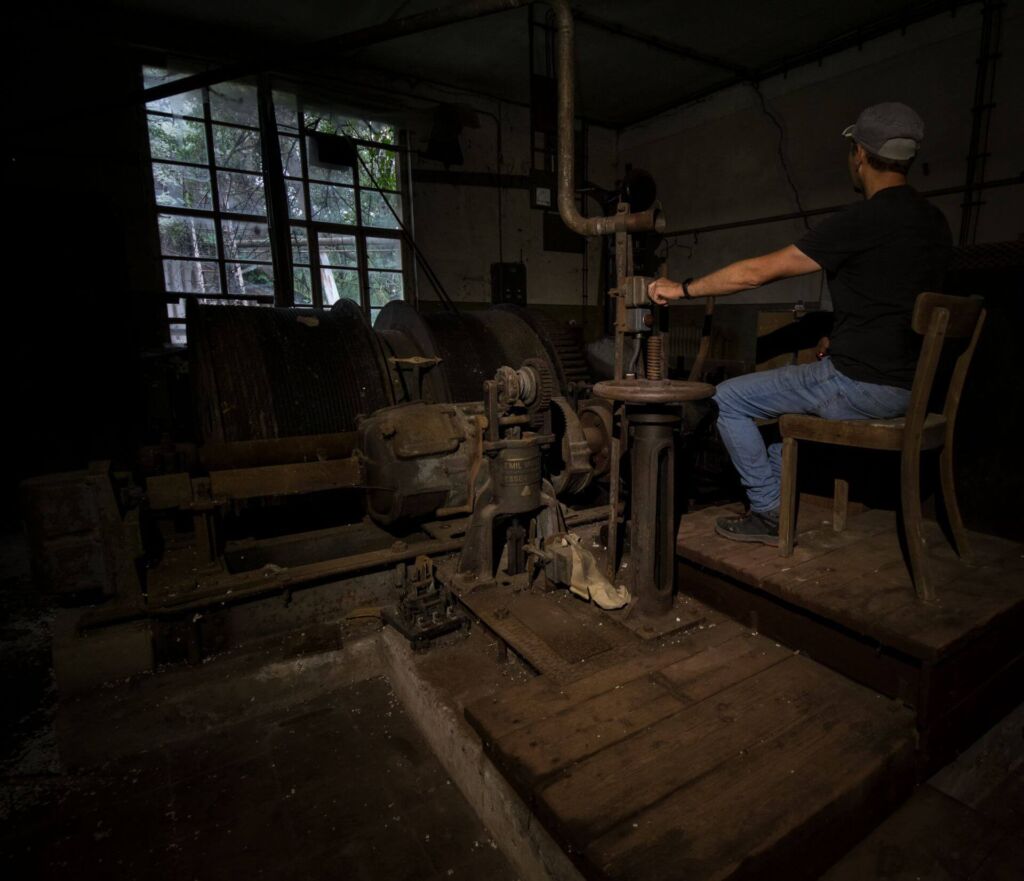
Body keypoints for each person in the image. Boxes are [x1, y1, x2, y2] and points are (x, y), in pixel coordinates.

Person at [648, 102, 952, 545]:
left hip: (859, 385)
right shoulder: (935, 222)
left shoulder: (862, 219)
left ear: (860, 155)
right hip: (913, 391)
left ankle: (768, 515)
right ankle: (778, 499)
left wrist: (681, 289)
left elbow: (758, 273)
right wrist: (843, 334)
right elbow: (893, 301)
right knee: (778, 423)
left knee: (730, 398)